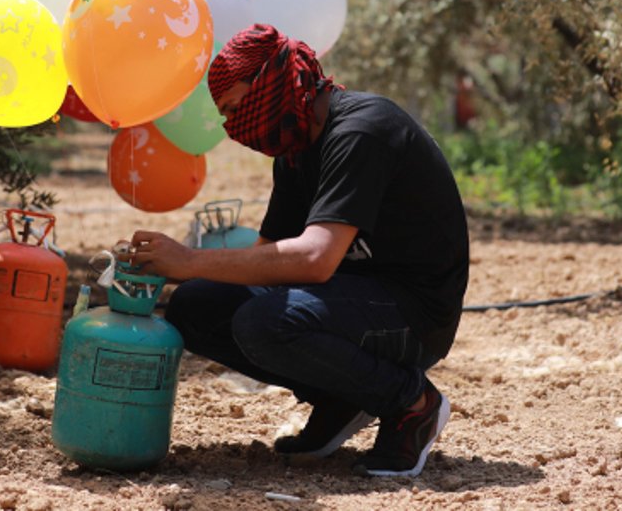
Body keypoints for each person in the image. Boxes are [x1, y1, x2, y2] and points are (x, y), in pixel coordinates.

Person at [129, 24, 469, 478]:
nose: (236, 127)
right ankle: (342, 396)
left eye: (237, 108)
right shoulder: (295, 151)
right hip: (352, 301)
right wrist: (170, 274)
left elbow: (314, 258)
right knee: (196, 306)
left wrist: (190, 260)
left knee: (267, 324)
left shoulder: (362, 130)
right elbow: (268, 260)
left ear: (271, 81)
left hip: (415, 316)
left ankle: (412, 403)